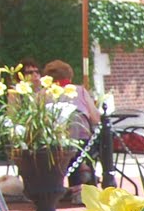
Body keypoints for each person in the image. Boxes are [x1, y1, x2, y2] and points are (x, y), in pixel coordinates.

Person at [43, 59, 101, 197]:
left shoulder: (43, 94)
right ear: (69, 76)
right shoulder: (79, 91)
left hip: (52, 146)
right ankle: (84, 173)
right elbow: (95, 118)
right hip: (82, 144)